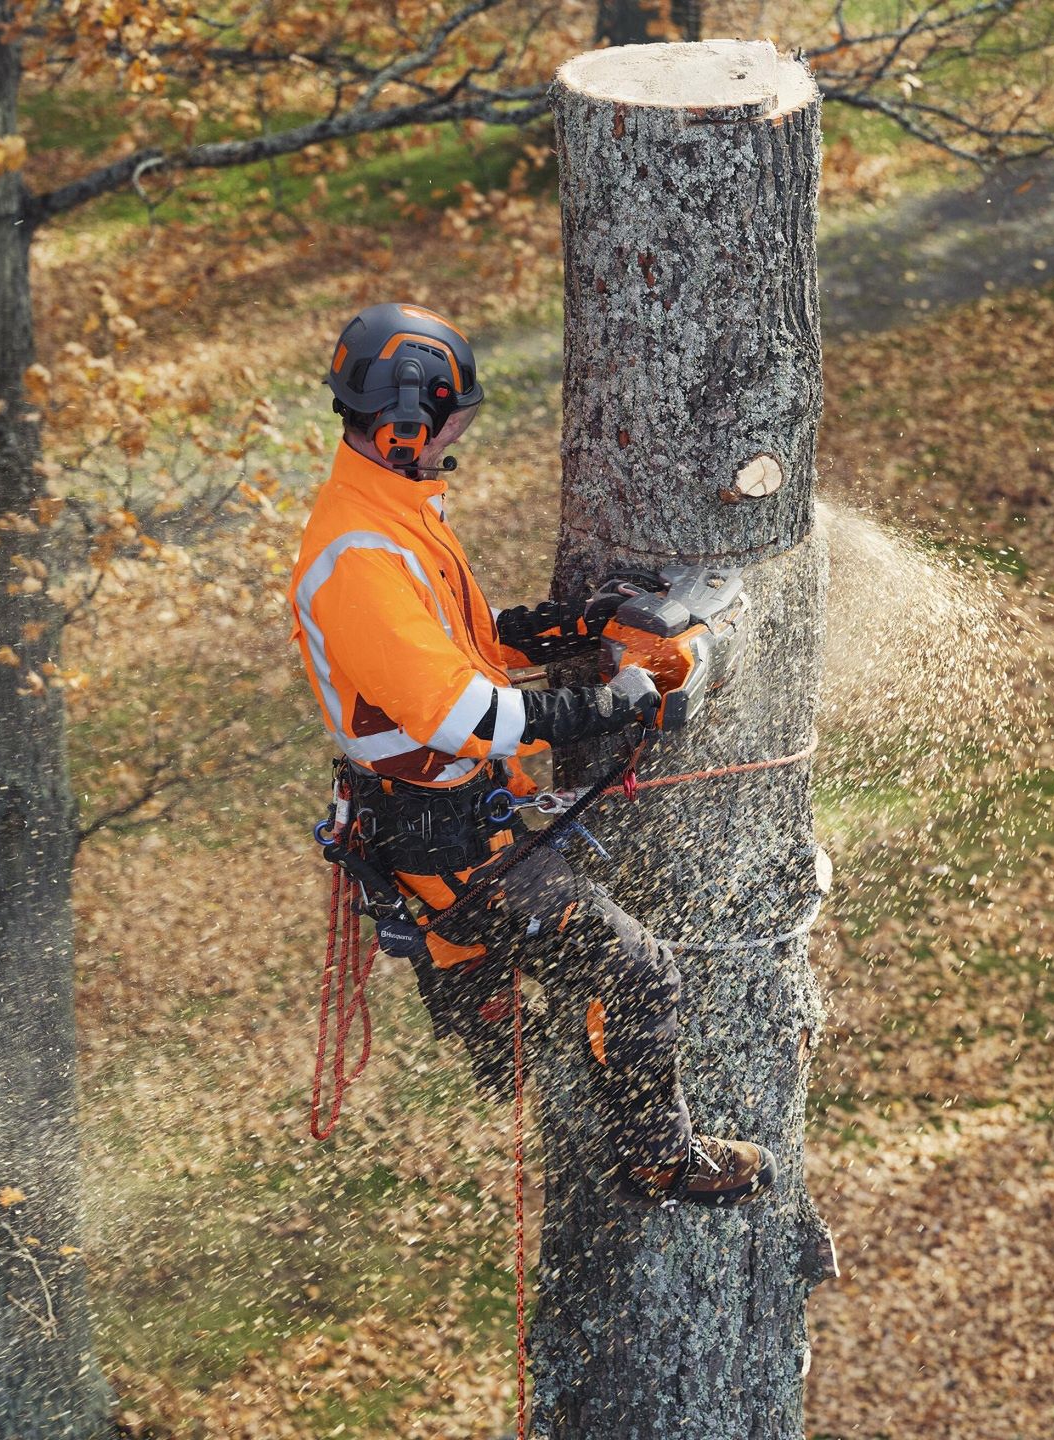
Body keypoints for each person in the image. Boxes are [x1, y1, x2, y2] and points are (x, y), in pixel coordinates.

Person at [288, 301, 778, 1207]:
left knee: (537, 1003)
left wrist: (575, 627)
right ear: (405, 420)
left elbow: (462, 643)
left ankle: (477, 992)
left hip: (449, 820)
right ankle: (655, 1162)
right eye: (453, 422)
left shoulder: (393, 512)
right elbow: (462, 712)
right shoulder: (360, 551)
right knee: (636, 969)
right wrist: (612, 703)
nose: (457, 438)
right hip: (446, 841)